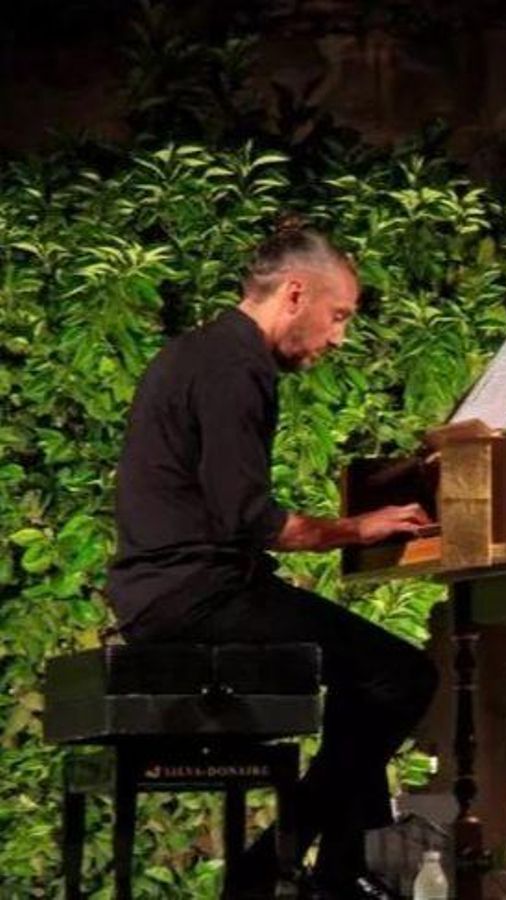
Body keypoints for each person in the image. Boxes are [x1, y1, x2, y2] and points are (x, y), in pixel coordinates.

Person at [108, 221, 437, 899]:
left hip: (171, 592)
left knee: (363, 679)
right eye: (337, 315)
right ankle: (275, 860)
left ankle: (343, 874)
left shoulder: (203, 352)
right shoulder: (237, 367)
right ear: (294, 293)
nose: (339, 337)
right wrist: (356, 527)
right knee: (404, 675)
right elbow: (249, 518)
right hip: (193, 601)